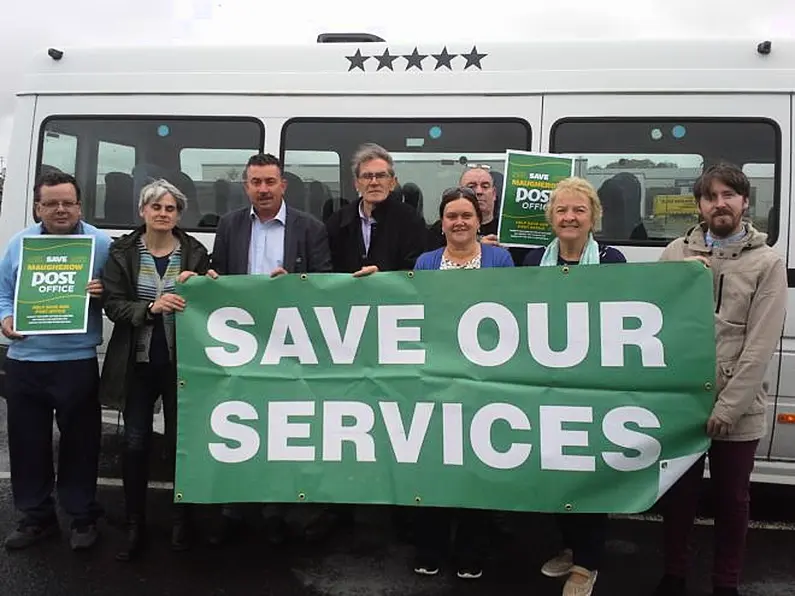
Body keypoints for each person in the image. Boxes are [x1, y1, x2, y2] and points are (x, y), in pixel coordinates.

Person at [653, 163, 787, 596]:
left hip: (738, 410)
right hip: (683, 405)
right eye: (711, 197)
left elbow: (760, 344)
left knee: (732, 502)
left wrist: (728, 407)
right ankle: (673, 575)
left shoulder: (767, 262)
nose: (720, 204)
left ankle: (725, 583)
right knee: (678, 500)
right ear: (699, 205)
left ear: (745, 202)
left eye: (729, 195)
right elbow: (654, 324)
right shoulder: (675, 252)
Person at [207, 153, 332, 544]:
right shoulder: (229, 225)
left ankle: (275, 510)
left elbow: (326, 281)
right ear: (246, 186)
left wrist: (296, 281)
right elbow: (220, 274)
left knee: (278, 427)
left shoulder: (310, 228)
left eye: (270, 182)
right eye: (255, 182)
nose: (263, 189)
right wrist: (210, 280)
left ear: (283, 185)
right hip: (240, 344)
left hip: (289, 344)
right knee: (238, 423)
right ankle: (232, 509)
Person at [523, 177, 626, 596]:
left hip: (593, 385)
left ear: (593, 217)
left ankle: (588, 564)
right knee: (557, 472)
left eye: (579, 210)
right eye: (562, 210)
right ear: (551, 218)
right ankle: (570, 548)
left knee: (589, 473)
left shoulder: (613, 261)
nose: (569, 217)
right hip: (546, 383)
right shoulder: (532, 260)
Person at [99, 179, 211, 561]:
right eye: (156, 207)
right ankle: (135, 523)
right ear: (143, 211)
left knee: (183, 445)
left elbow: (212, 303)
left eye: (171, 209)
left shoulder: (195, 253)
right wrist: (148, 309)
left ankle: (182, 520)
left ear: (179, 215)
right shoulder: (122, 252)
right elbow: (112, 304)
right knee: (135, 443)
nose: (163, 214)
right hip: (138, 364)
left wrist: (205, 283)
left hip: (184, 367)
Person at [0, 171, 112, 551]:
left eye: (68, 202)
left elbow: (121, 296)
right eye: (52, 203)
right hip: (24, 361)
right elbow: (3, 293)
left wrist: (104, 291)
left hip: (75, 361)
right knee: (27, 443)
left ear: (80, 205)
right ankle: (36, 517)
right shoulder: (20, 244)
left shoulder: (101, 244)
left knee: (81, 443)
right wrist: (6, 319)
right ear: (38, 207)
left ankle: (82, 516)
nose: (61, 210)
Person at [412, 186, 514, 580]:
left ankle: (472, 551)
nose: (459, 222)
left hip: (482, 381)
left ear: (478, 220)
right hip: (435, 379)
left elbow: (511, 312)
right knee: (435, 465)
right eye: (451, 216)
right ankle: (430, 548)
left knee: (475, 468)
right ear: (441, 223)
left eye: (466, 216)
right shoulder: (425, 262)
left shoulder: (499, 259)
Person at [325, 143, 426, 276]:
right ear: (356, 184)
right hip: (348, 295)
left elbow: (417, 270)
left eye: (381, 176)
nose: (374, 182)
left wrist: (381, 278)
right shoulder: (338, 221)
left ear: (392, 183)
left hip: (395, 295)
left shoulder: (411, 220)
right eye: (367, 176)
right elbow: (327, 270)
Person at [427, 165, 500, 249]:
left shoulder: (507, 228)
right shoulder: (444, 227)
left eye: (485, 186)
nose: (479, 192)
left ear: (494, 194)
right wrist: (476, 246)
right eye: (471, 187)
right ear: (460, 193)